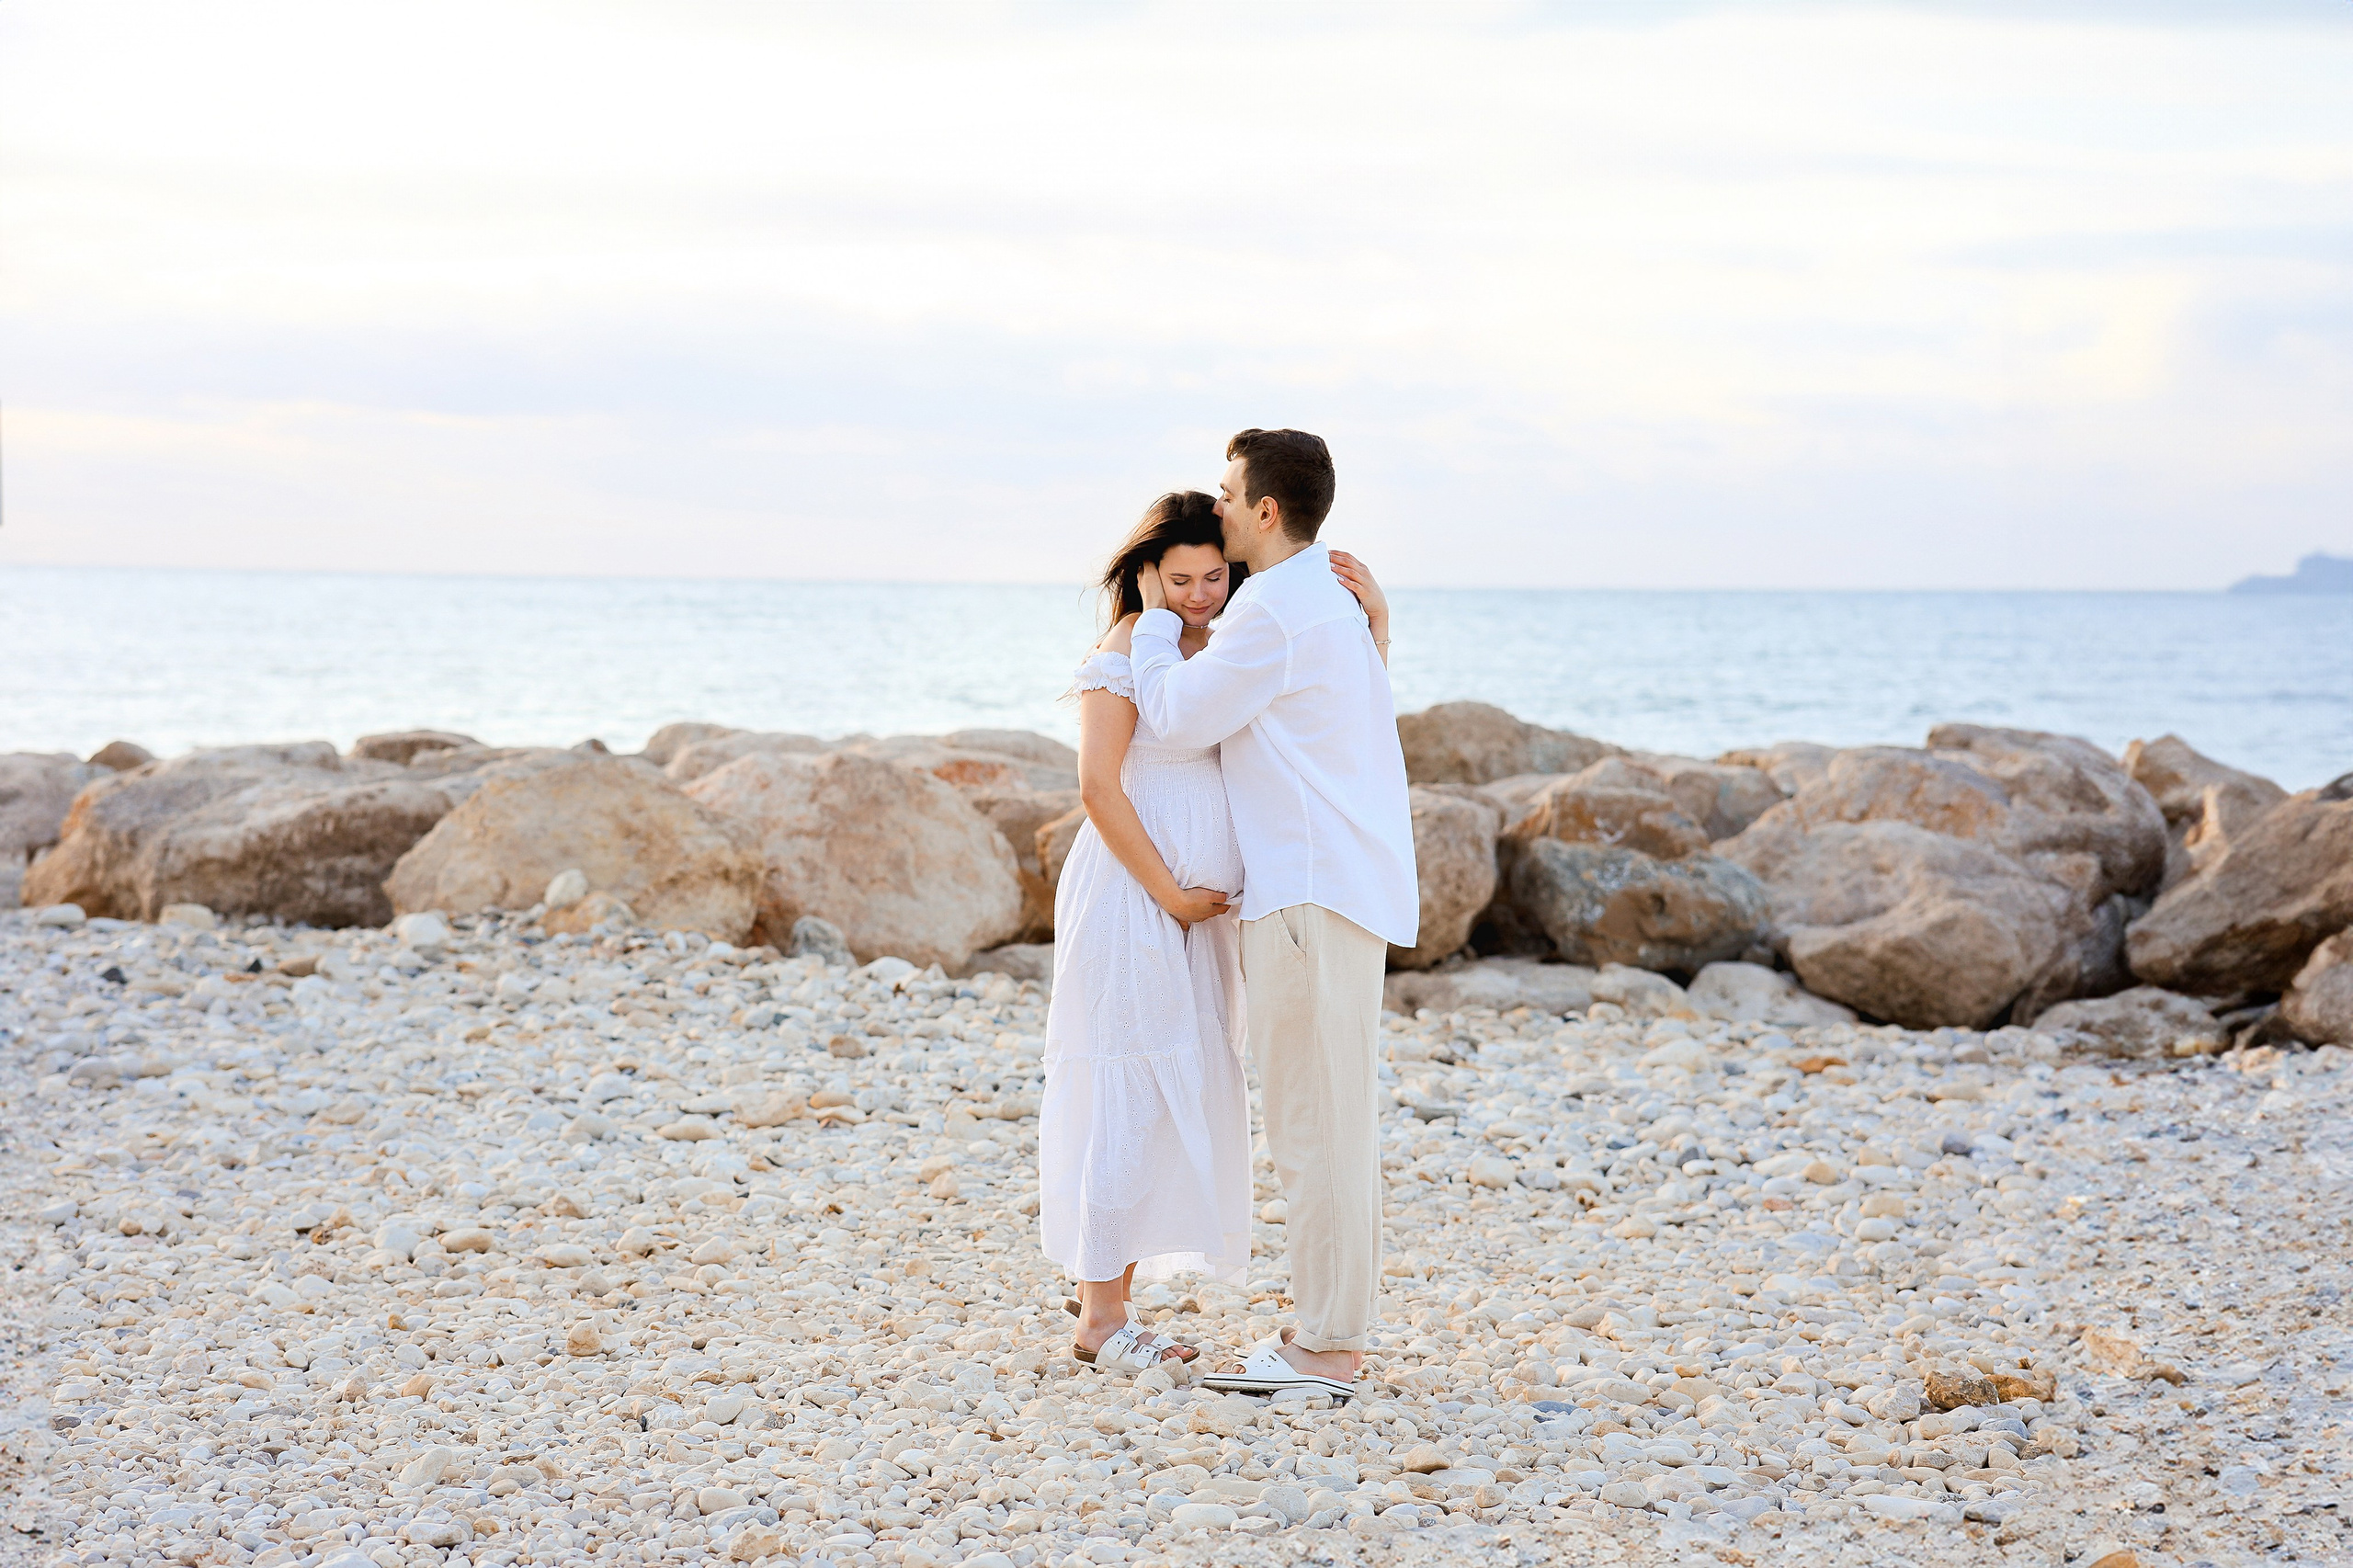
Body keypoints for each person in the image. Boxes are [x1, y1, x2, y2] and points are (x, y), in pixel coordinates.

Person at [1129, 427, 1414, 1401]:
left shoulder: (1276, 611)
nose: (1213, 504)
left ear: (1263, 509)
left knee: (1312, 1122)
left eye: (1226, 489)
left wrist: (1152, 623)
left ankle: (1326, 1350)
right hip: (1339, 889)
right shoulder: (1326, 602)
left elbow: (1172, 716)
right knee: (1331, 1117)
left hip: (1305, 893)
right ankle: (1330, 1329)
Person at [1037, 491, 1254, 1372]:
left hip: (1191, 914)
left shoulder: (1214, 647)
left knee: (1167, 1090)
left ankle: (1110, 1295)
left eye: (1215, 575)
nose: (1200, 593)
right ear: (1144, 574)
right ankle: (1098, 1319)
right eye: (1181, 578)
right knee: (1127, 1087)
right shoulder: (1126, 648)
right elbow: (1099, 785)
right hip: (1136, 897)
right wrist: (1169, 892)